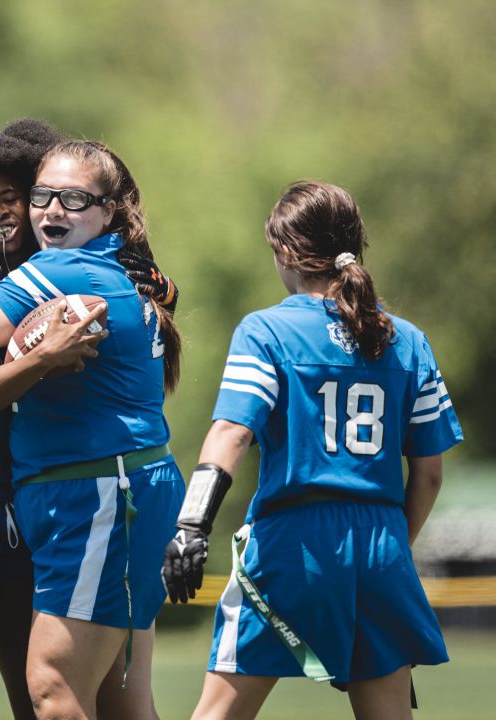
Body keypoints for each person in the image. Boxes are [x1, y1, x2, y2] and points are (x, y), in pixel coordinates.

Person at [0, 121, 178, 720]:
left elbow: (150, 292)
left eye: (9, 198)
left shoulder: (61, 272)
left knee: (40, 693)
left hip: (36, 500)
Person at [162, 181, 463, 720]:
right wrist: (388, 549)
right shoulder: (409, 341)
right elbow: (429, 475)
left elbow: (233, 433)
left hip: (292, 543)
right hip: (382, 546)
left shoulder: (266, 331)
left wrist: (192, 524)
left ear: (284, 252)